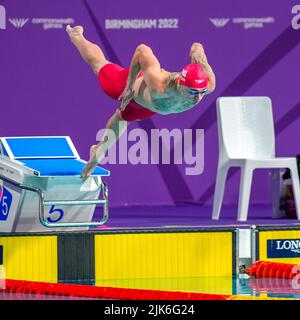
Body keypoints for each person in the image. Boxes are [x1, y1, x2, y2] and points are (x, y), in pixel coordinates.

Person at [66, 25, 216, 177]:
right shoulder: (159, 84)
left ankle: (98, 150)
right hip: (128, 91)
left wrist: (198, 51)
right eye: (192, 91)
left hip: (149, 108)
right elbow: (142, 50)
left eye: (201, 92)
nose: (198, 97)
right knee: (99, 65)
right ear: (181, 83)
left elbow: (197, 51)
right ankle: (77, 36)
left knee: (122, 118)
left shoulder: (208, 84)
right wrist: (129, 86)